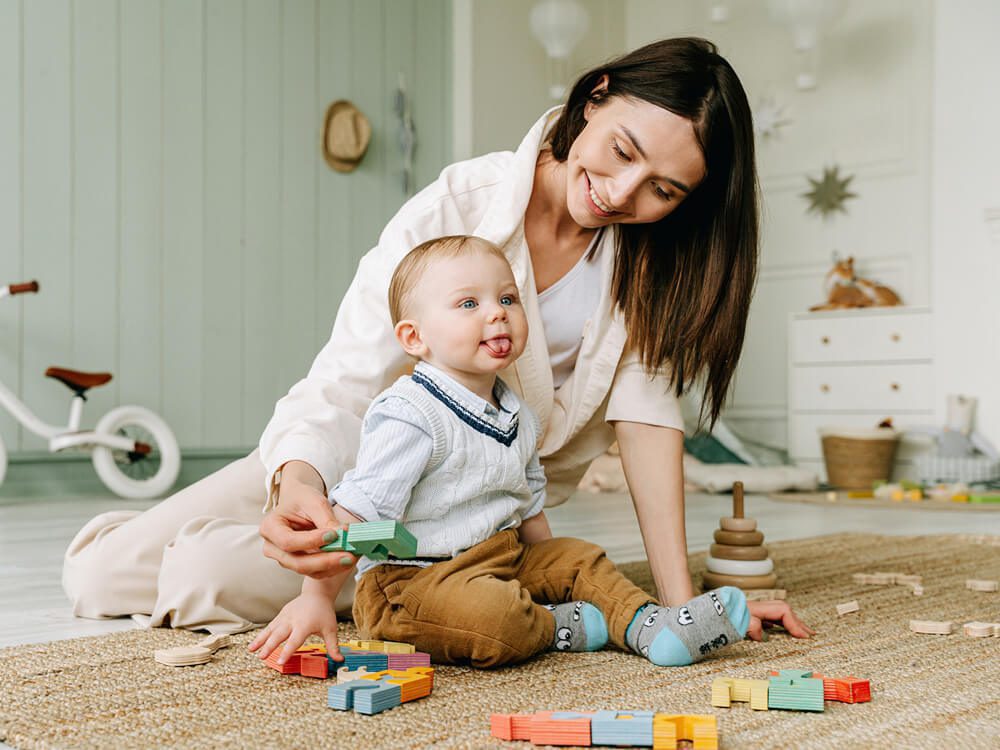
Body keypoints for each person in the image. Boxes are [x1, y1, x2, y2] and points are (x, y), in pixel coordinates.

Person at [63, 37, 811, 642]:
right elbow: (346, 379)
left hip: (467, 518)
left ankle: (422, 587)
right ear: (596, 96)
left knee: (200, 574)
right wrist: (297, 486)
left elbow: (647, 425)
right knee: (95, 577)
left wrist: (682, 607)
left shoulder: (650, 267)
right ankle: (337, 562)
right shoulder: (460, 205)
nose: (621, 192)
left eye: (662, 189)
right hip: (358, 457)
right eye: (621, 150)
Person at [250, 234, 757, 669]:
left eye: (508, 299)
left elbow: (527, 502)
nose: (497, 313)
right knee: (497, 618)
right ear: (414, 337)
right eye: (469, 304)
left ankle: (654, 627)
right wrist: (315, 598)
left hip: (499, 556)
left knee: (582, 559)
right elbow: (358, 517)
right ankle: (555, 626)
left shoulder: (517, 411)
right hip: (412, 585)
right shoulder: (411, 413)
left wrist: (554, 572)